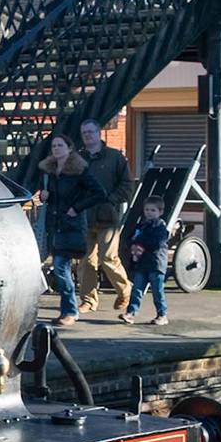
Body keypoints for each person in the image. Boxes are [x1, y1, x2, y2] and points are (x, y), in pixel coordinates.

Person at [73, 120, 133, 313]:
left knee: (108, 257)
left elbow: (127, 186)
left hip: (107, 217)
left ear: (99, 133)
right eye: (84, 133)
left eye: (90, 132)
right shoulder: (77, 159)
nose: (87, 136)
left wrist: (109, 200)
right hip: (84, 217)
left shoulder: (115, 158)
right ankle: (88, 301)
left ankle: (125, 289)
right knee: (85, 261)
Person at [37, 134, 92, 325]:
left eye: (60, 145)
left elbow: (96, 192)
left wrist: (75, 209)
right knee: (60, 267)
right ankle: (68, 310)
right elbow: (49, 196)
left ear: (70, 148)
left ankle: (70, 311)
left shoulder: (79, 171)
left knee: (61, 267)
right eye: (54, 146)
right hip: (54, 225)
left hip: (70, 226)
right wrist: (44, 196)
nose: (56, 149)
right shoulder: (49, 171)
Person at [119, 196, 172, 325]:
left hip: (156, 263)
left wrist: (139, 240)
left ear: (160, 212)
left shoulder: (160, 228)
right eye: (147, 209)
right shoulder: (141, 225)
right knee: (136, 289)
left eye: (153, 210)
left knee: (157, 291)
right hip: (141, 262)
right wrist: (132, 243)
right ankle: (130, 313)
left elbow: (157, 243)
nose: (149, 212)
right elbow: (130, 238)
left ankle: (162, 314)